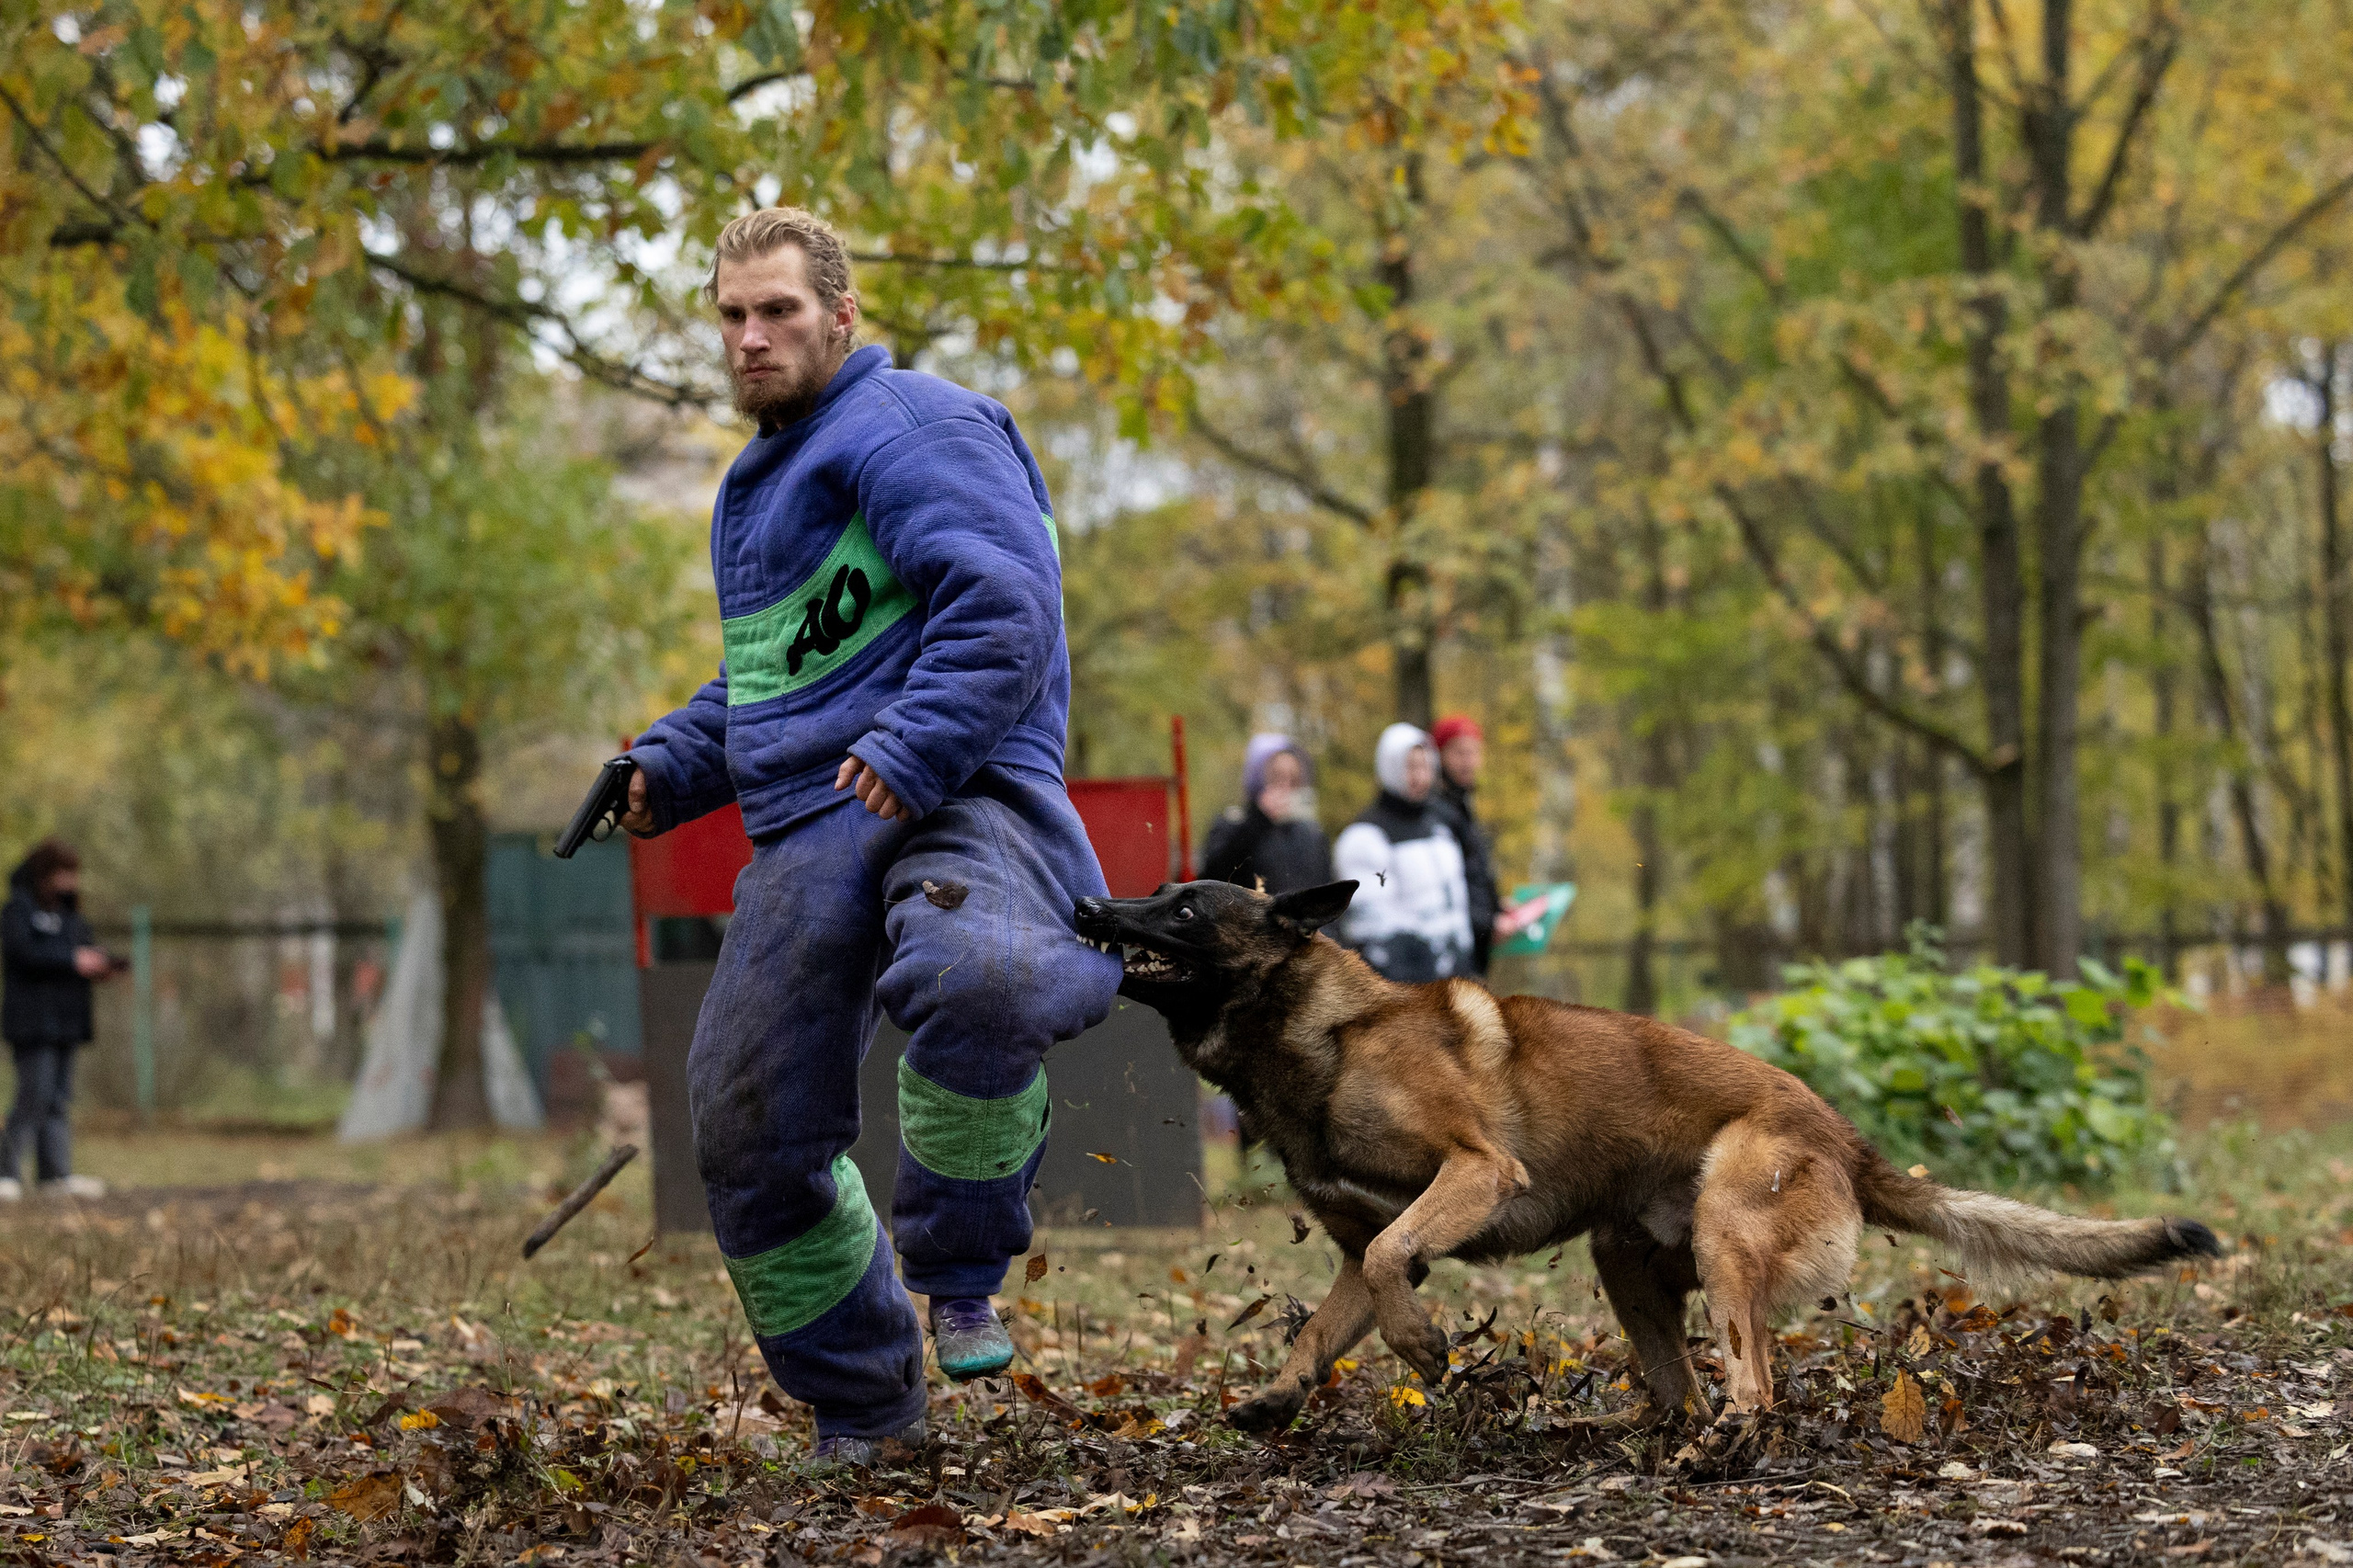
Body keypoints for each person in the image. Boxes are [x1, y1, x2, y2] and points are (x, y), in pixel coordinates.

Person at [609, 207, 1122, 1470]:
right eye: (731, 314)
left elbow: (1006, 608)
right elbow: (772, 687)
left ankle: (958, 1271)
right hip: (808, 829)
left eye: (778, 310)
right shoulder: (764, 482)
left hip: (962, 791)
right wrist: (664, 766)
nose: (750, 337)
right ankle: (867, 1408)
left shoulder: (916, 428)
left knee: (986, 975)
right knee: (743, 1128)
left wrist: (907, 750)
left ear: (842, 316)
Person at [2, 841, 114, 1201]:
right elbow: (24, 954)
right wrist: (71, 960)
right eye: (64, 873)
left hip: (67, 1021)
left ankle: (54, 1175)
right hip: (32, 1023)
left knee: (58, 1099)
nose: (70, 881)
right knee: (32, 1096)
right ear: (46, 874)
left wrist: (99, 964)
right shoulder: (18, 911)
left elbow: (81, 949)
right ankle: (6, 1173)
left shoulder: (71, 916)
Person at [1332, 724, 1475, 983]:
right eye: (1410, 767)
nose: (1420, 777)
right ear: (1389, 767)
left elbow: (1457, 904)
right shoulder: (1365, 836)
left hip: (1456, 978)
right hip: (1405, 986)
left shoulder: (1441, 825)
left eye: (1425, 767)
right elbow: (1375, 929)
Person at [1199, 733, 1331, 896]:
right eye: (1277, 777)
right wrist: (1259, 819)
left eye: (1294, 779)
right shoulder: (1233, 823)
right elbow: (1213, 878)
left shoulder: (1311, 834)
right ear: (1258, 777)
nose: (1286, 788)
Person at [1428, 715, 1505, 976]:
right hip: (1453, 953)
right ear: (1438, 756)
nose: (1468, 762)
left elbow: (1475, 872)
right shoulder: (1434, 812)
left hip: (1476, 946)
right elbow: (1446, 887)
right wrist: (1488, 923)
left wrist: (1498, 907)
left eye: (1474, 752)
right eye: (1459, 752)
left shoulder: (1463, 804)